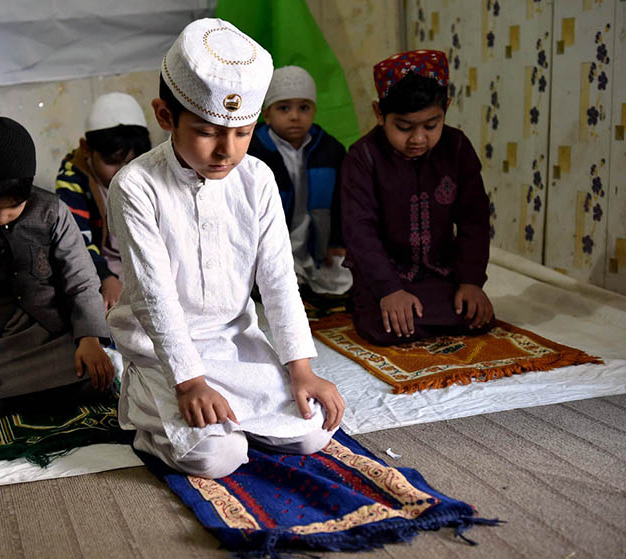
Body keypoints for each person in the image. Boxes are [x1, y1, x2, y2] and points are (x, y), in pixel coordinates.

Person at [106, 18, 345, 479]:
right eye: (208, 131)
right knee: (218, 457)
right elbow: (154, 295)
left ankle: (230, 410)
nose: (227, 151)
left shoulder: (256, 178)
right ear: (164, 116)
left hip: (233, 343)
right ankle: (142, 404)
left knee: (312, 430)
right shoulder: (135, 185)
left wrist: (302, 368)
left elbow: (277, 279)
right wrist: (189, 381)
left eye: (242, 132)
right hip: (161, 351)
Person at [0, 116, 113, 419]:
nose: (1, 218)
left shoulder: (52, 211)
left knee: (96, 378)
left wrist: (89, 339)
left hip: (53, 335)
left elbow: (80, 280)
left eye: (14, 207)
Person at [341, 50, 494, 346]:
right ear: (379, 114)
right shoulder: (363, 157)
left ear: (446, 109)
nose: (418, 139)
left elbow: (474, 218)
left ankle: (425, 306)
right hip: (383, 276)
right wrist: (389, 290)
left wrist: (471, 281)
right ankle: (374, 303)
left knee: (476, 316)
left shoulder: (457, 148)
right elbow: (359, 231)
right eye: (404, 127)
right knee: (386, 328)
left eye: (431, 125)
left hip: (441, 272)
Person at [248, 66, 350, 297]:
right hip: (272, 240)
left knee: (345, 279)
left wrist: (337, 241)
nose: (295, 116)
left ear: (314, 110)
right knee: (276, 285)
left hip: (315, 240)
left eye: (303, 107)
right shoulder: (253, 150)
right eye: (284, 108)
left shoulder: (330, 149)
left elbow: (340, 202)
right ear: (267, 113)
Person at [55, 92, 151, 310]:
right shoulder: (72, 181)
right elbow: (77, 241)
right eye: (112, 162)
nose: (123, 172)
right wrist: (106, 278)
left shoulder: (147, 170)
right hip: (99, 265)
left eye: (131, 162)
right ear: (87, 148)